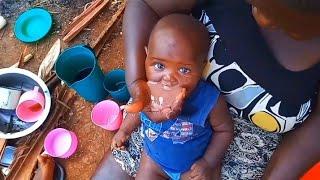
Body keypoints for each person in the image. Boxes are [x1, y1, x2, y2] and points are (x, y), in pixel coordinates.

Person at [93, 0, 320, 179]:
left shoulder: (211, 102)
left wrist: (212, 162)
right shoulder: (165, 84)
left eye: (270, 9)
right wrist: (138, 87)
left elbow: (311, 136)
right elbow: (146, 3)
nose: (256, 15)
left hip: (242, 155)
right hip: (160, 125)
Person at [110, 14, 233, 180]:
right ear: (146, 57)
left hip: (193, 168)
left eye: (184, 70)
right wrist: (124, 130)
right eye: (159, 65)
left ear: (202, 66)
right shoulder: (146, 88)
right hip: (154, 161)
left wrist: (208, 162)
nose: (168, 78)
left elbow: (224, 130)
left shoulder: (210, 100)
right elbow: (138, 110)